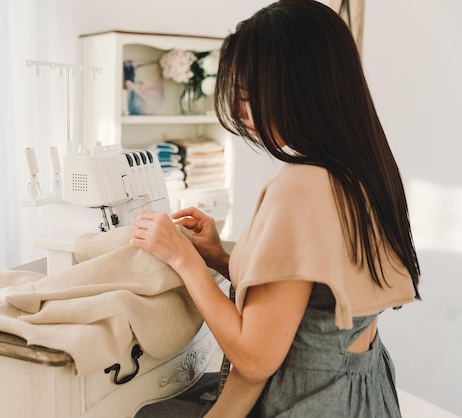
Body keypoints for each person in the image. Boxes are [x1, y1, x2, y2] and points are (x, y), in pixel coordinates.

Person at [130, 0, 421, 417]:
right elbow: (303, 306)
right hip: (365, 392)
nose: (241, 111)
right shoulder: (365, 172)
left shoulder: (301, 187)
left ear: (300, 89)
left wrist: (183, 260)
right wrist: (220, 258)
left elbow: (253, 357)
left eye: (250, 95)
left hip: (313, 403)